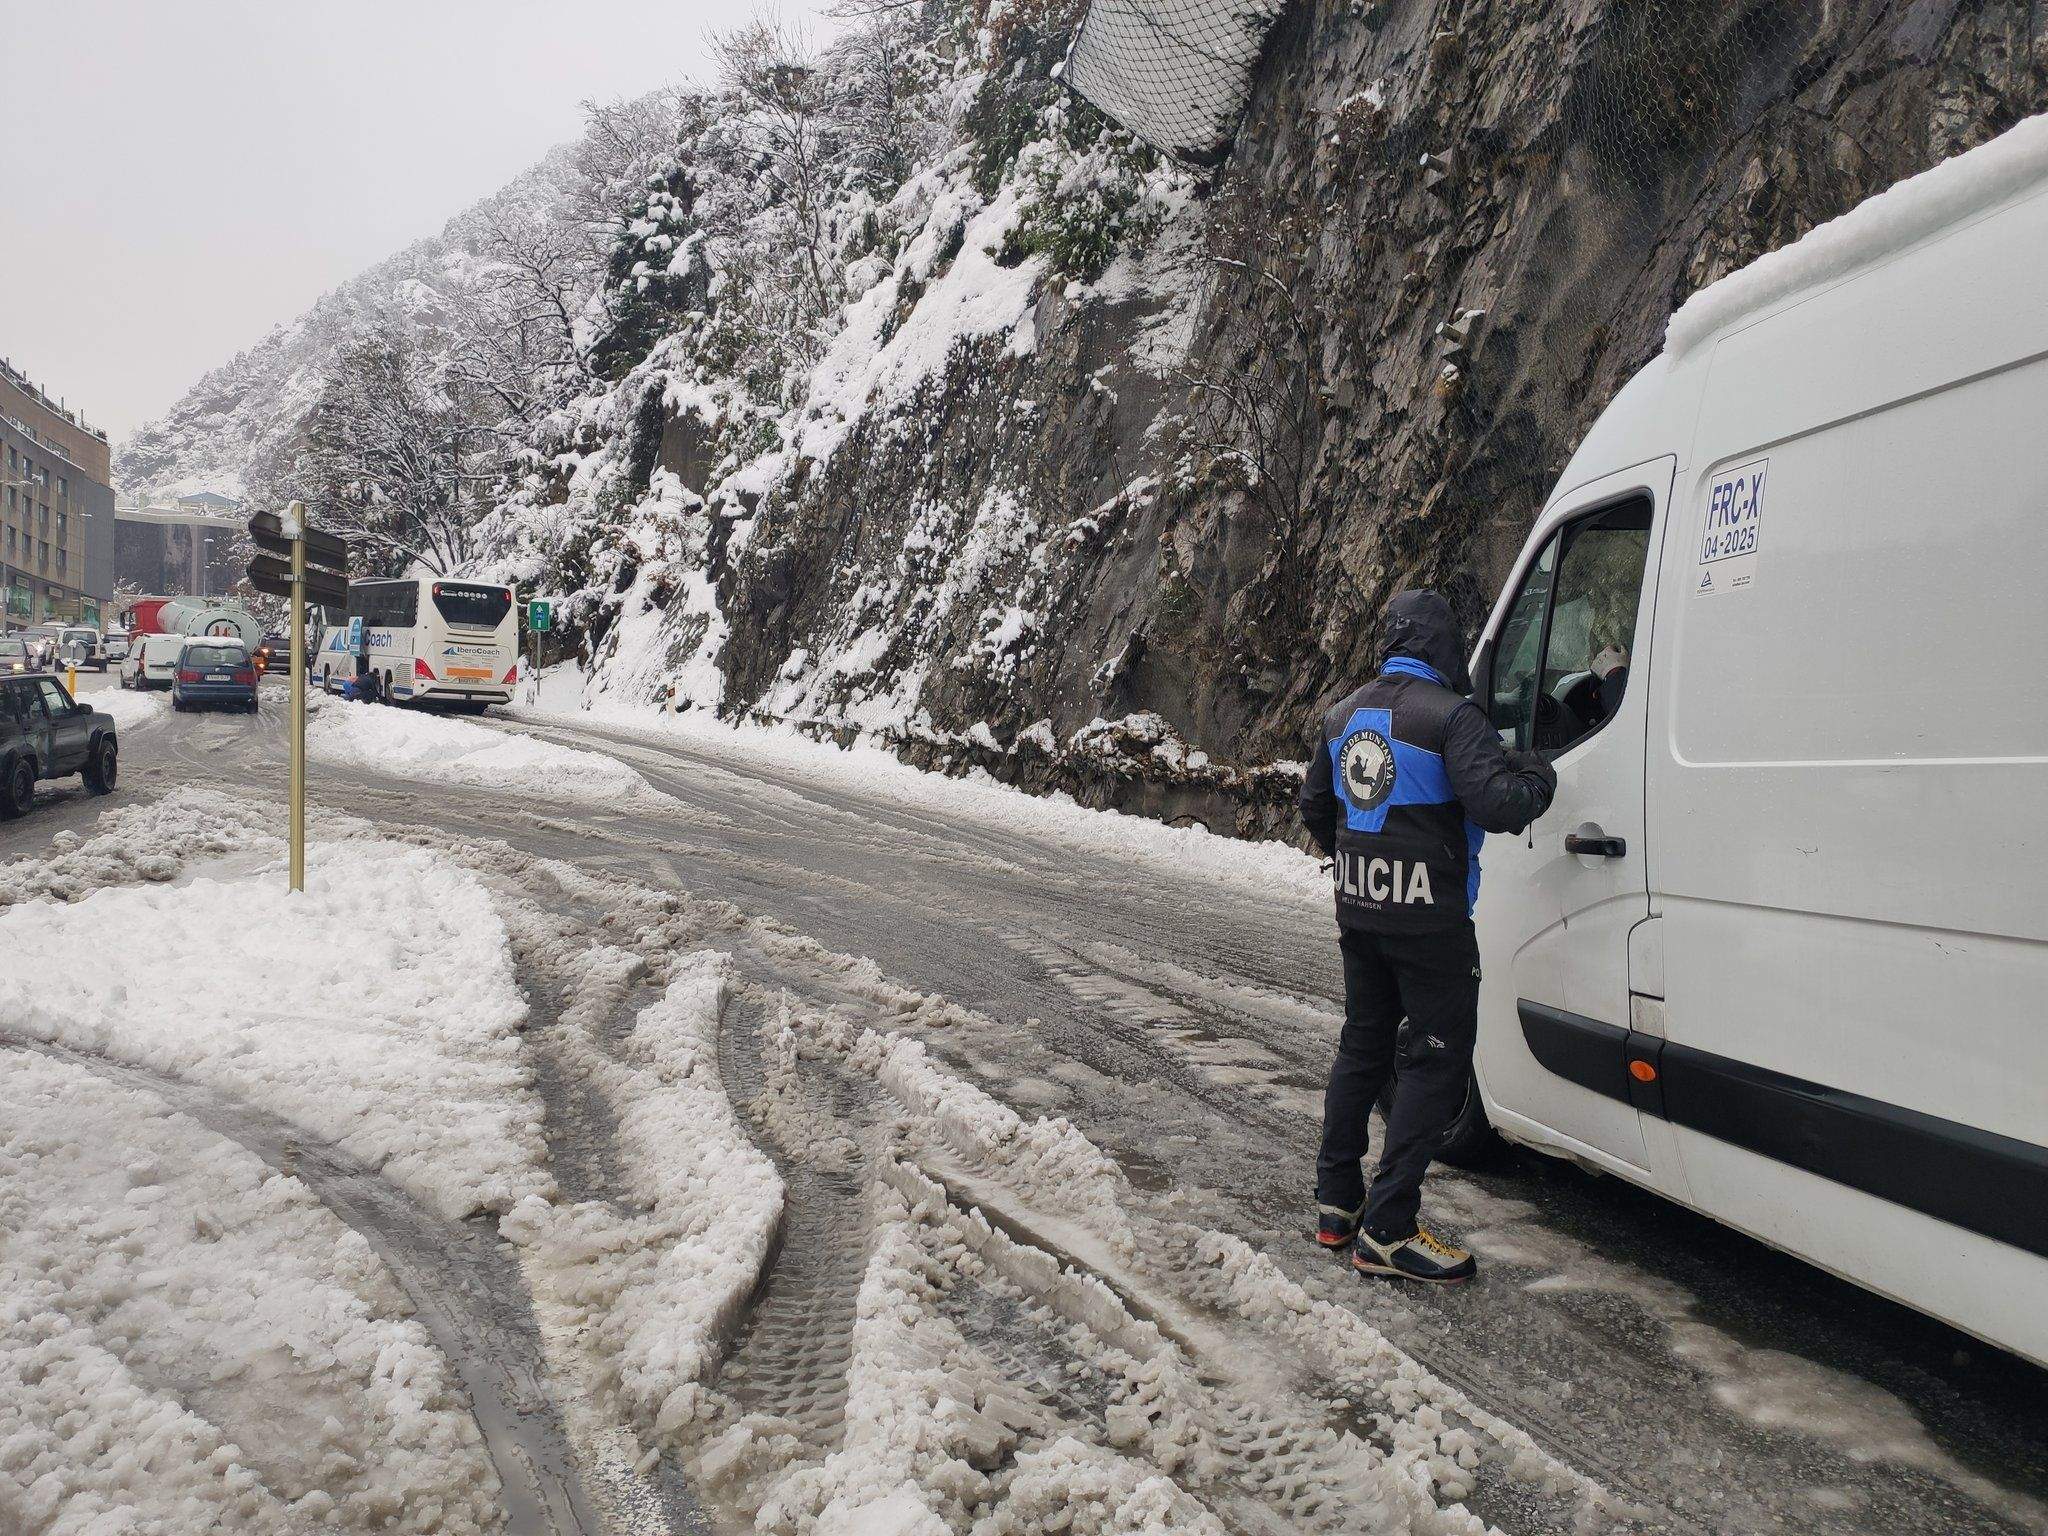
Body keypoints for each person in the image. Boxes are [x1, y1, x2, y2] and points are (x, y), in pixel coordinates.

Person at [1299, 589, 1556, 1283]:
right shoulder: (1453, 717)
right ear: (1445, 643)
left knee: (1362, 1045)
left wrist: (1361, 861)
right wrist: (1538, 772)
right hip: (1430, 923)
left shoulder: (1341, 716)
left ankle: (1336, 1204)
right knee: (1434, 1060)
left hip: (1360, 908)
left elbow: (1315, 807)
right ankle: (1387, 1231)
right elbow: (1498, 804)